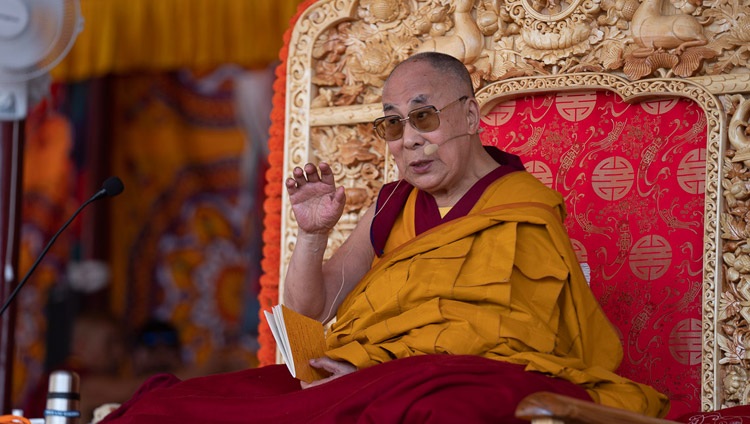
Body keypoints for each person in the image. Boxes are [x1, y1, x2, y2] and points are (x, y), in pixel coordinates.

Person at [98, 52, 669, 423]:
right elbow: (308, 310)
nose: (407, 140)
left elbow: (524, 340)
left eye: (423, 117)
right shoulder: (392, 205)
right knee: (177, 409)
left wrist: (387, 371)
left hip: (449, 381)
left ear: (470, 115)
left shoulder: (524, 208)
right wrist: (313, 235)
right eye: (392, 124)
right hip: (364, 375)